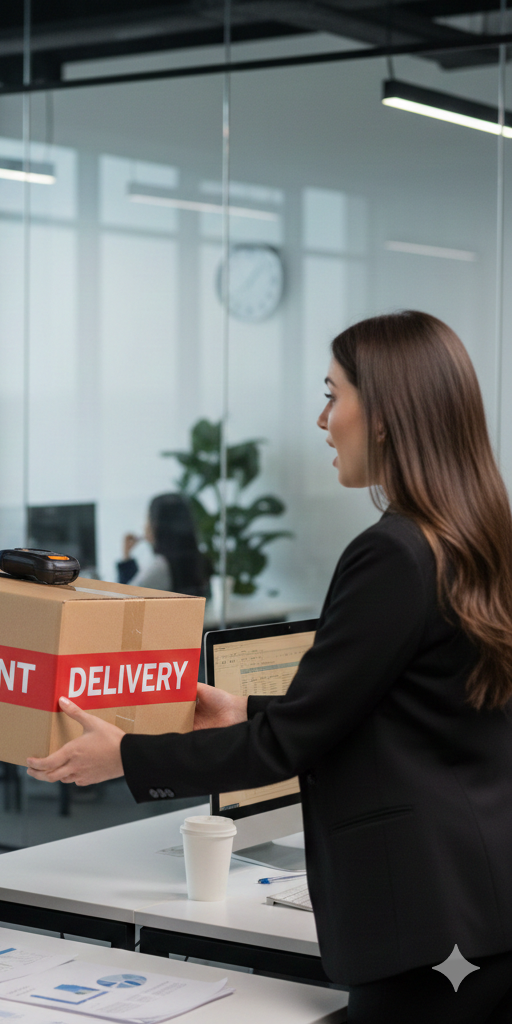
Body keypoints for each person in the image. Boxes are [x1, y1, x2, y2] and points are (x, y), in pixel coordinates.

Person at [26, 311, 512, 1024]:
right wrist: (248, 710)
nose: (323, 420)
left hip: (426, 921)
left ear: (384, 415)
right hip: (481, 896)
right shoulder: (481, 536)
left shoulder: (395, 554)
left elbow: (293, 744)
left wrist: (124, 756)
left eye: (333, 394)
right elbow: (412, 707)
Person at [117, 493, 207, 595]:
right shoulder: (198, 561)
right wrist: (127, 557)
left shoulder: (162, 567)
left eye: (148, 519)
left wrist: (126, 561)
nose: (144, 526)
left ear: (159, 525)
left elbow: (123, 600)